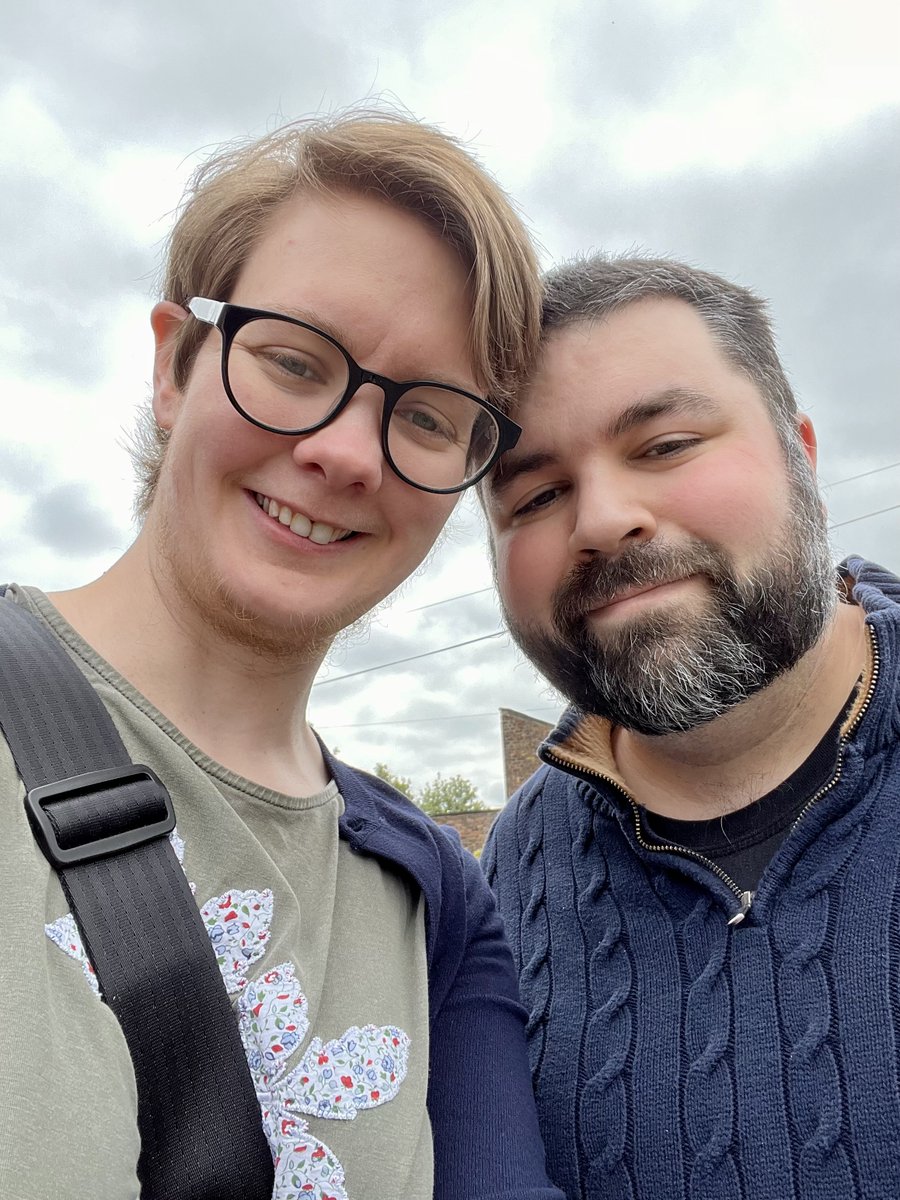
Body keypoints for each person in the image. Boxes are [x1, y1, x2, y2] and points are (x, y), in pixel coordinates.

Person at [0, 111, 566, 1200]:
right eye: (294, 361)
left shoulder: (431, 897)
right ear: (175, 365)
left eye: (432, 418)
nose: (348, 452)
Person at [482, 254, 900, 1200]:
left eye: (665, 445)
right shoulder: (505, 879)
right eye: (535, 495)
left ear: (803, 453)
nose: (603, 519)